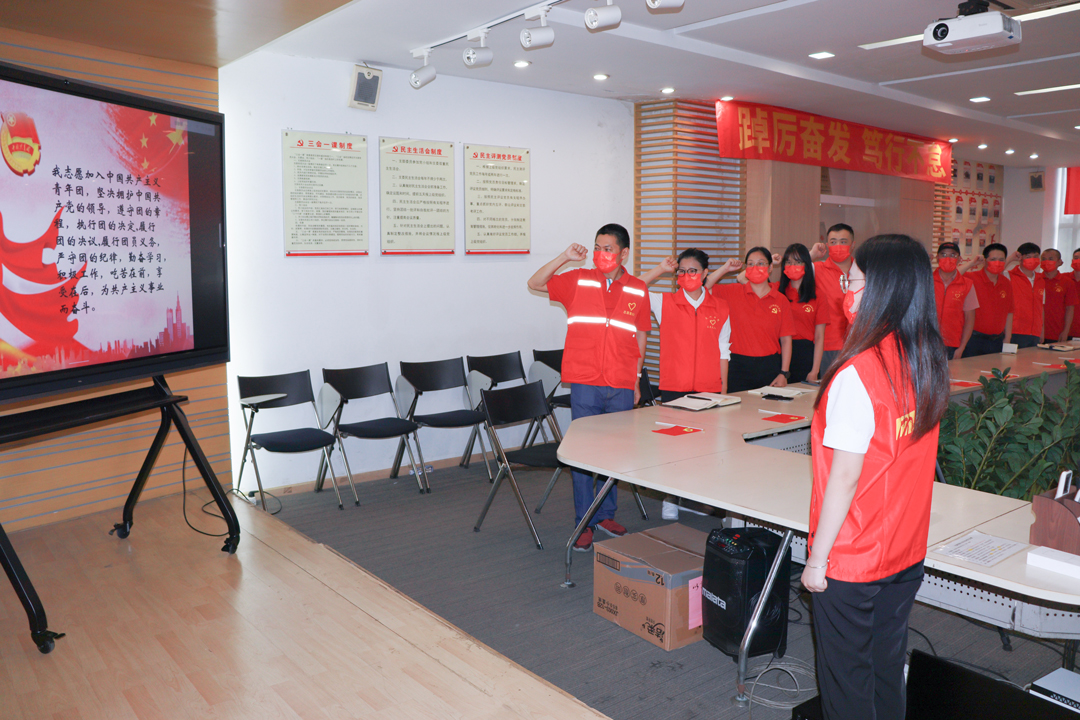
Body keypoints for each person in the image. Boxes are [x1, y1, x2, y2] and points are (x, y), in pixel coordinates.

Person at [801, 234, 950, 720]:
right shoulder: (925, 359)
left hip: (854, 556)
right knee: (886, 666)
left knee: (847, 682)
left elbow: (845, 477)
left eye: (853, 281)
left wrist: (817, 560)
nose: (847, 290)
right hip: (905, 547)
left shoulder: (858, 372)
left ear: (882, 289)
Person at [527, 223, 650, 552]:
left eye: (608, 249)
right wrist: (564, 257)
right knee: (583, 454)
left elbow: (640, 334)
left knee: (614, 453)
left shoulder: (638, 288)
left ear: (624, 253)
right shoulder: (578, 279)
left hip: (621, 381)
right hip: (585, 381)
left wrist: (636, 379)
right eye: (597, 247)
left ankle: (606, 514)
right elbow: (535, 283)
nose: (600, 254)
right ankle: (584, 520)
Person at [639, 248, 732, 402]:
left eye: (692, 271)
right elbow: (630, 288)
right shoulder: (664, 302)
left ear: (704, 273)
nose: (687, 275)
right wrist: (660, 268)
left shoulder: (721, 307)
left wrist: (724, 389)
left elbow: (723, 351)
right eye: (682, 271)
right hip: (673, 387)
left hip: (709, 388)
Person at [705, 246, 793, 392]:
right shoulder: (732, 291)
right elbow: (704, 288)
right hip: (738, 366)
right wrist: (725, 268)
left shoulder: (781, 300)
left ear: (770, 267)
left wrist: (784, 373)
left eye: (761, 263)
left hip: (769, 366)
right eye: (751, 264)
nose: (755, 267)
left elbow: (786, 340)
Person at [776, 243, 829, 383]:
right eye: (788, 262)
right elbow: (742, 279)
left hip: (805, 354)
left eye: (798, 262)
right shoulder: (776, 290)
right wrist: (770, 261)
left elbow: (819, 337)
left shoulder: (818, 295)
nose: (793, 266)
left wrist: (815, 370)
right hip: (778, 352)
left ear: (806, 264)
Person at [810, 224, 855, 376]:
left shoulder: (863, 271)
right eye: (833, 242)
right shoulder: (817, 269)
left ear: (853, 245)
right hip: (827, 346)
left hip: (857, 346)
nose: (838, 246)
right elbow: (795, 269)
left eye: (843, 242)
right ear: (827, 245)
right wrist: (812, 254)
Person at [964, 243, 1014, 357]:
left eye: (1001, 260)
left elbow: (1010, 311)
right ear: (985, 260)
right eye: (993, 259)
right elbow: (952, 275)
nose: (997, 263)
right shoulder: (971, 278)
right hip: (974, 339)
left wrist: (1008, 337)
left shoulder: (1006, 282)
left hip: (997, 340)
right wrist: (971, 263)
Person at [932, 242, 978, 360]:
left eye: (952, 255)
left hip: (953, 344)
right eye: (943, 255)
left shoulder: (967, 284)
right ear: (937, 258)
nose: (948, 259)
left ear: (959, 259)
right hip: (928, 342)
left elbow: (969, 319)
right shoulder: (927, 280)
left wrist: (962, 347)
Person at [1007, 242, 1045, 348]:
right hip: (1015, 331)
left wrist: (1042, 330)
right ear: (1020, 258)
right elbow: (995, 273)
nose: (1032, 260)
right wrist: (1010, 259)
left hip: (1035, 332)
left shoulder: (1041, 279)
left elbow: (1041, 306)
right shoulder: (1009, 276)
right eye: (1028, 257)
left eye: (1035, 256)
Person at [1040, 248, 1077, 343]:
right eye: (1043, 259)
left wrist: (1066, 331)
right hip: (1037, 333)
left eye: (1051, 259)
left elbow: (1070, 309)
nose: (1046, 262)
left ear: (1059, 262)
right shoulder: (1036, 280)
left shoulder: (1067, 282)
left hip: (1057, 333)